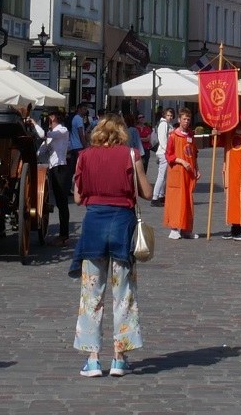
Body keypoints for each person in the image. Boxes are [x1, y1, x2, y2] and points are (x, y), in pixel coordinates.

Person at [72, 113, 152, 377]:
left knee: (91, 295)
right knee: (123, 295)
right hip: (121, 227)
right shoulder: (130, 155)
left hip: (94, 226)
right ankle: (120, 357)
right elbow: (148, 193)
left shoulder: (85, 156)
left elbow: (77, 196)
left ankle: (93, 359)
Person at [40, 108, 74, 243]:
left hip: (61, 168)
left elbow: (44, 135)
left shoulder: (62, 130)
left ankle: (64, 234)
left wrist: (35, 124)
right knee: (57, 200)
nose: (46, 121)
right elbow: (41, 149)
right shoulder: (51, 134)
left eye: (47, 118)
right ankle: (62, 234)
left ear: (53, 118)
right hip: (53, 168)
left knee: (62, 202)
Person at [162, 111, 197, 239]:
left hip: (188, 174)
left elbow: (194, 153)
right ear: (179, 120)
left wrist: (196, 168)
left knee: (188, 200)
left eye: (188, 119)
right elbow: (169, 155)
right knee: (176, 199)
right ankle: (174, 228)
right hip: (177, 172)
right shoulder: (173, 136)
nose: (186, 121)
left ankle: (186, 228)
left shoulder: (191, 135)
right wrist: (181, 161)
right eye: (184, 119)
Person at [150, 107, 173, 200]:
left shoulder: (167, 124)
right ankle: (155, 197)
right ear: (164, 115)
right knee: (161, 175)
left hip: (164, 152)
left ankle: (160, 195)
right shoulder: (164, 124)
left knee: (164, 175)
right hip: (164, 152)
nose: (170, 117)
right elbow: (163, 140)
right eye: (168, 115)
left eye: (171, 115)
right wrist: (168, 151)